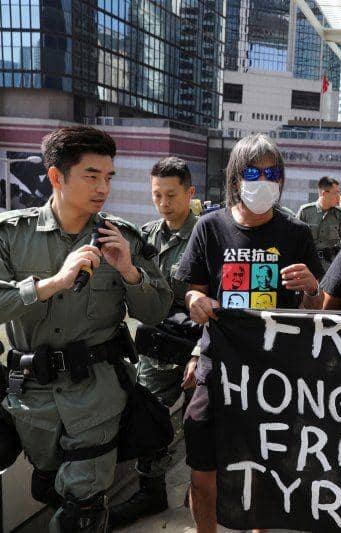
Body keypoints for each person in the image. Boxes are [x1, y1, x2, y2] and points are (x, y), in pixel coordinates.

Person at [0, 126, 172, 532]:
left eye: (108, 177)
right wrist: (52, 283)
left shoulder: (121, 236)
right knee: (51, 487)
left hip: (96, 396)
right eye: (91, 175)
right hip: (29, 398)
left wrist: (129, 271)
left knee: (83, 510)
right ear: (57, 176)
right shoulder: (11, 235)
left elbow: (158, 309)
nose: (103, 188)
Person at [175, 134, 323, 533]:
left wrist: (311, 288)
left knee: (265, 470)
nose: (264, 181)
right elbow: (192, 290)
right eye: (253, 172)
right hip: (218, 367)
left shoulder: (296, 233)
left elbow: (318, 309)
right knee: (203, 473)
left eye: (272, 173)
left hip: (275, 374)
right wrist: (194, 301)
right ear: (235, 178)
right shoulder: (209, 227)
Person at [109, 157, 203, 527]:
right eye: (156, 195)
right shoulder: (147, 236)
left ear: (190, 193)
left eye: (171, 194)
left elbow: (222, 299)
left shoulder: (206, 235)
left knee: (201, 422)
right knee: (149, 415)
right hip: (157, 347)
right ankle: (152, 491)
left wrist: (201, 351)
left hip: (198, 344)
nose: (163, 202)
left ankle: (201, 490)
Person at [297, 176, 341, 271]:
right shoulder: (305, 211)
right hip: (308, 265)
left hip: (331, 265)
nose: (339, 197)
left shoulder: (338, 214)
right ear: (324, 193)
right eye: (336, 193)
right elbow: (295, 239)